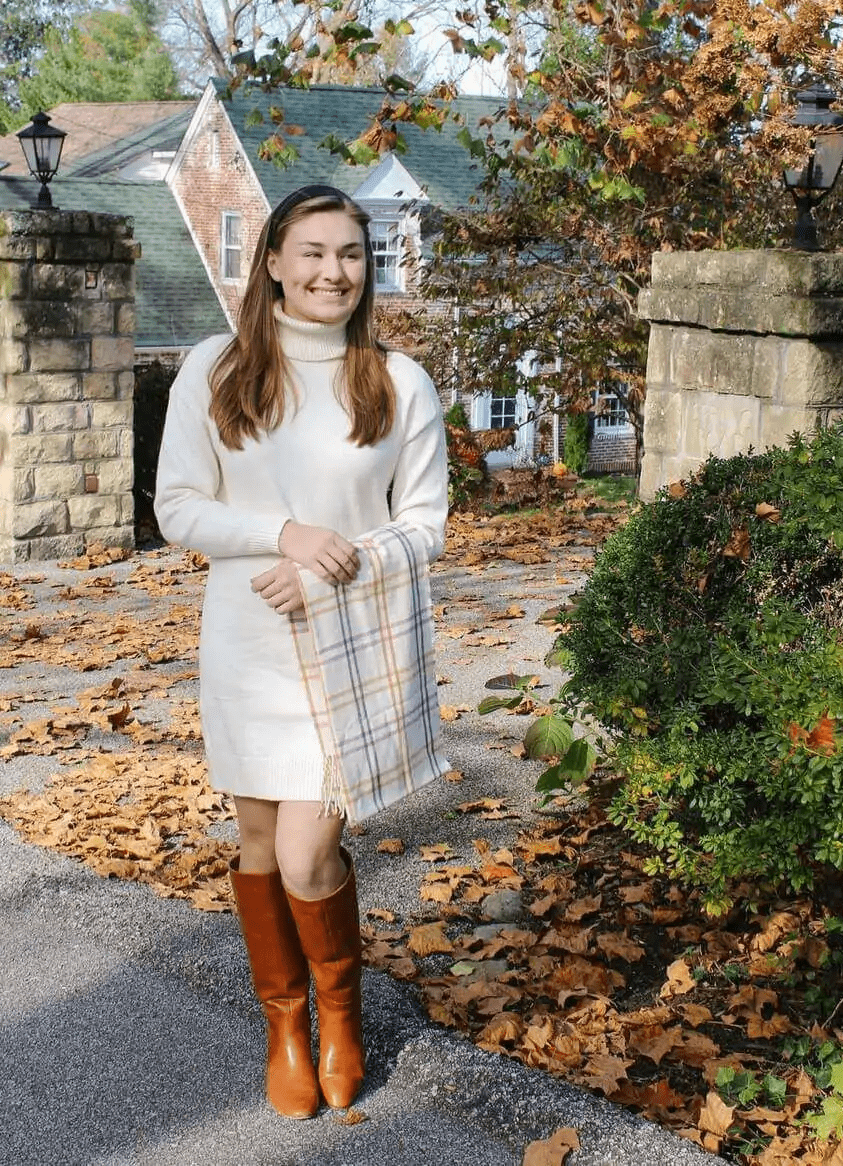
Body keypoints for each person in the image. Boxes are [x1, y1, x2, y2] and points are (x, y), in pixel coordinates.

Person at [154, 184, 449, 1119]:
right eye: (314, 252)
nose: (334, 272)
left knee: (305, 851)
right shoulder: (218, 366)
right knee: (253, 841)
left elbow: (427, 526)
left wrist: (333, 567)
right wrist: (285, 534)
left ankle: (341, 1016)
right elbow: (177, 509)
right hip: (246, 641)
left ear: (370, 267)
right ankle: (285, 1027)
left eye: (352, 254)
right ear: (273, 260)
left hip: (349, 646)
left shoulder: (399, 383)